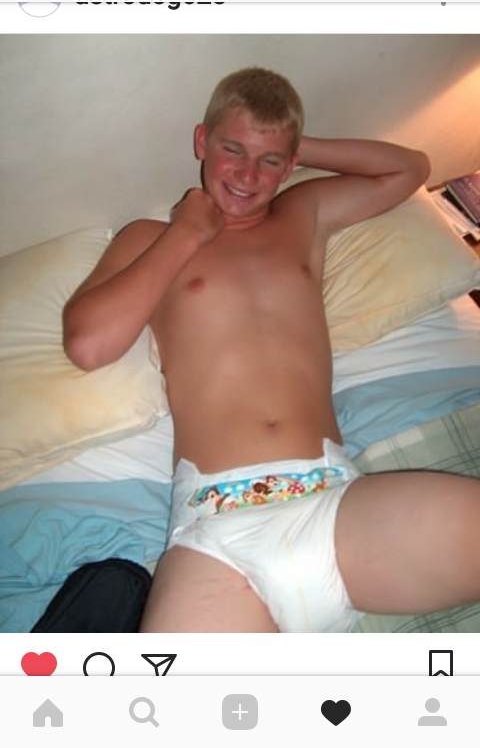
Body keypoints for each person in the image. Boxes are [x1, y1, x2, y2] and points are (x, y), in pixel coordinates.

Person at [63, 67, 480, 633]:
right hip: (217, 529)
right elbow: (88, 345)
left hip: (334, 505)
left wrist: (297, 146)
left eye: (269, 160)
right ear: (202, 141)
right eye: (232, 149)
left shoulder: (301, 213)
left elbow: (410, 168)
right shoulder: (148, 239)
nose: (247, 174)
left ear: (288, 166)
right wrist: (187, 232)